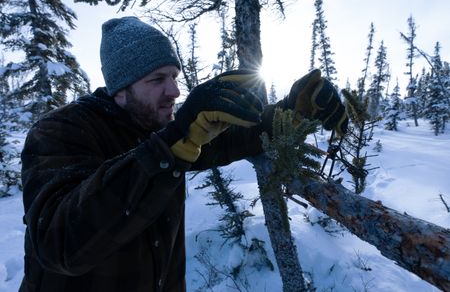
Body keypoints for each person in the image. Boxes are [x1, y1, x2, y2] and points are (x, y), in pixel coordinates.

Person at [19, 16, 348, 292]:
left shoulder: (153, 126)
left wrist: (291, 113)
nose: (175, 91)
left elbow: (226, 141)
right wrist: (171, 143)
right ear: (121, 88)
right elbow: (58, 243)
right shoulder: (60, 131)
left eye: (174, 77)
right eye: (158, 79)